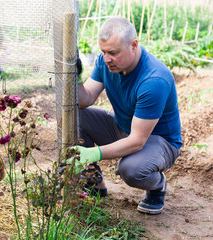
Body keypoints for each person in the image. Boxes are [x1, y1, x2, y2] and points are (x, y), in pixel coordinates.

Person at [68, 17, 182, 215]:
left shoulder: (154, 79)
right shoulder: (107, 63)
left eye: (113, 53)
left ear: (134, 45)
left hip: (159, 142)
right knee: (75, 115)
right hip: (124, 128)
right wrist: (76, 77)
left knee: (131, 169)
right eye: (103, 52)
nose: (106, 59)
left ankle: (157, 185)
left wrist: (92, 153)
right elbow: (85, 99)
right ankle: (94, 182)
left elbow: (137, 141)